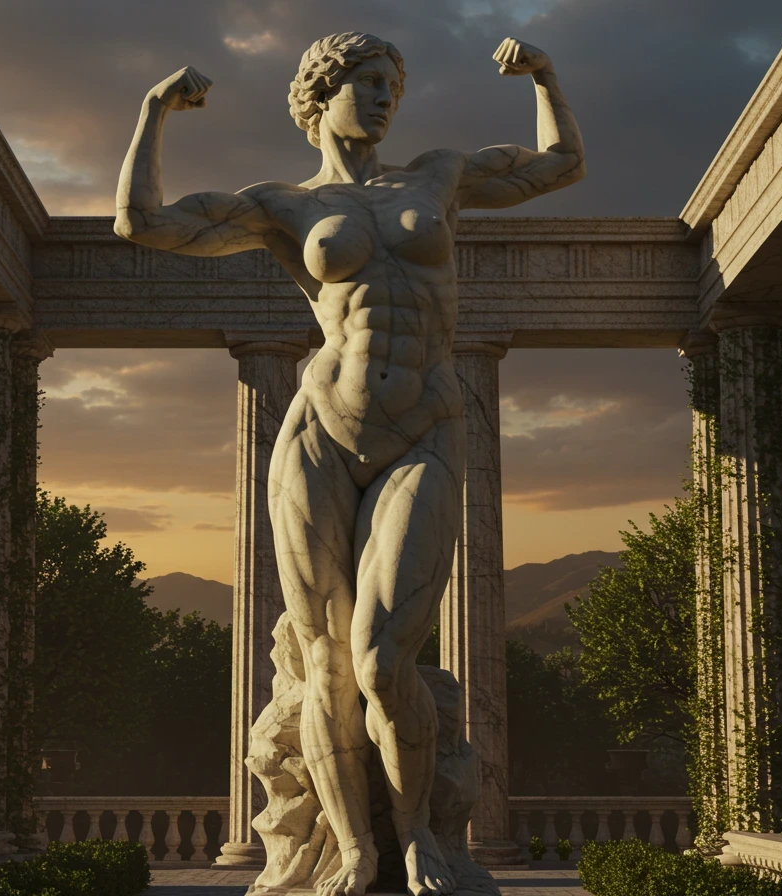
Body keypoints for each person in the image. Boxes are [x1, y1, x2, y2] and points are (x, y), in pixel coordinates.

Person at [114, 32, 584, 896]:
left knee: (378, 656)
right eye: (365, 83)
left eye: (389, 87)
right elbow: (143, 224)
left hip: (428, 424)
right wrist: (153, 113)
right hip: (320, 431)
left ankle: (416, 837)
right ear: (318, 94)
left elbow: (556, 166)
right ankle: (354, 848)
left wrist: (545, 78)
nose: (381, 99)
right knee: (326, 656)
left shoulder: (437, 175)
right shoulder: (281, 204)